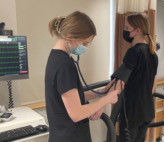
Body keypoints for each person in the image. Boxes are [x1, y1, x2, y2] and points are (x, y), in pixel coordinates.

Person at [45, 11, 123, 142]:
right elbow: (76, 113)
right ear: (70, 36)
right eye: (85, 43)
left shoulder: (55, 57)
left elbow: (71, 97)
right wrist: (107, 99)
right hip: (70, 137)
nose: (86, 47)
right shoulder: (64, 65)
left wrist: (101, 92)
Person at [119, 13, 158, 142]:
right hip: (146, 110)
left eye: (127, 27)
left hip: (132, 112)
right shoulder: (152, 53)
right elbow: (153, 85)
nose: (124, 30)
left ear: (137, 31)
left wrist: (102, 100)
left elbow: (120, 82)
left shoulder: (133, 52)